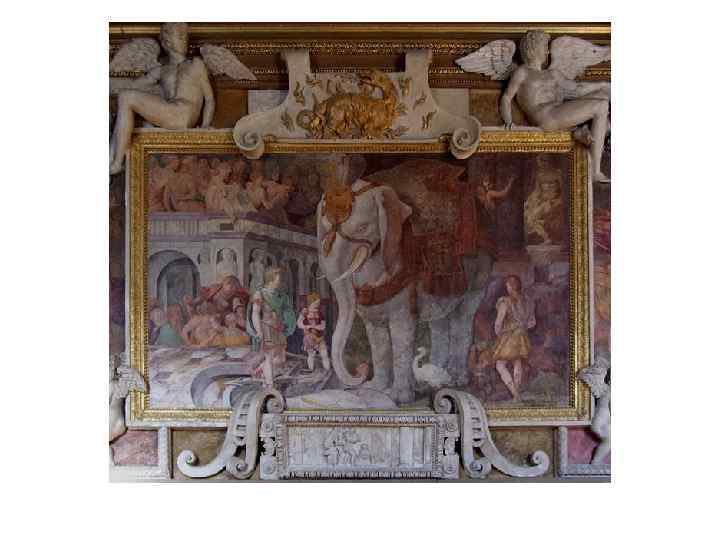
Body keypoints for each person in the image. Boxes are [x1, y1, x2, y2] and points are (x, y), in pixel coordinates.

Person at [500, 30, 610, 182]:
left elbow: (576, 88)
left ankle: (577, 132)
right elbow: (506, 98)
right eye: (544, 46)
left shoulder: (553, 73)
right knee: (601, 106)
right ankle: (594, 171)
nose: (546, 51)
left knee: (603, 100)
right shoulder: (522, 72)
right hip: (545, 116)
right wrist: (509, 122)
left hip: (558, 113)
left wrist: (602, 85)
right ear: (532, 48)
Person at [109, 22, 215, 174]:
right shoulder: (161, 70)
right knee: (124, 97)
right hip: (170, 113)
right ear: (167, 43)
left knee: (126, 97)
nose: (185, 39)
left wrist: (205, 126)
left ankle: (117, 162)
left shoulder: (196, 64)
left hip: (184, 113)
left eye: (185, 36)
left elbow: (209, 98)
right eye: (180, 36)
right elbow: (135, 85)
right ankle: (113, 158)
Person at [246, 267, 297, 387]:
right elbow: (255, 313)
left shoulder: (280, 295)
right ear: (270, 279)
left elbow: (287, 311)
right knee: (269, 357)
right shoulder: (260, 294)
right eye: (278, 279)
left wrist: (287, 323)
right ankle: (269, 384)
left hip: (278, 329)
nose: (280, 282)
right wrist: (259, 331)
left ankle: (260, 370)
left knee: (281, 359)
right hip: (267, 328)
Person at [492, 275, 536, 401]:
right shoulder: (528, 302)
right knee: (517, 362)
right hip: (522, 336)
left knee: (500, 365)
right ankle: (516, 395)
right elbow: (532, 323)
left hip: (509, 336)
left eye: (507, 285)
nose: (506, 287)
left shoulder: (505, 301)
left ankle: (515, 393)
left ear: (510, 286)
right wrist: (522, 326)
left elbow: (498, 323)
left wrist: (499, 335)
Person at [297, 292, 330, 371]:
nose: (317, 305)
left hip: (319, 337)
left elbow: (323, 326)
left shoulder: (320, 313)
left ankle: (327, 369)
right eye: (316, 303)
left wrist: (315, 326)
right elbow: (299, 324)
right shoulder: (305, 312)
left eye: (318, 303)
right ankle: (311, 369)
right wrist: (307, 326)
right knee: (311, 355)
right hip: (309, 338)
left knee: (324, 354)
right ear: (310, 303)